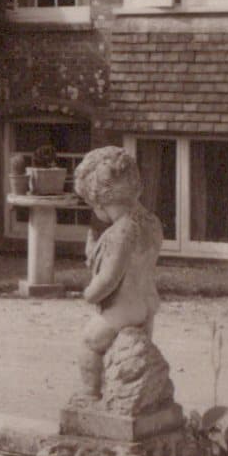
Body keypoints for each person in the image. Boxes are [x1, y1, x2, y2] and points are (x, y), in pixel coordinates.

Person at [72, 146, 163, 400]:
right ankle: (139, 394)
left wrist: (90, 294)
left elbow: (110, 279)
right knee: (139, 356)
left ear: (99, 200)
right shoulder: (152, 223)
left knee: (89, 343)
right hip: (147, 304)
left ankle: (91, 394)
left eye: (92, 205)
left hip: (124, 307)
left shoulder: (122, 231)